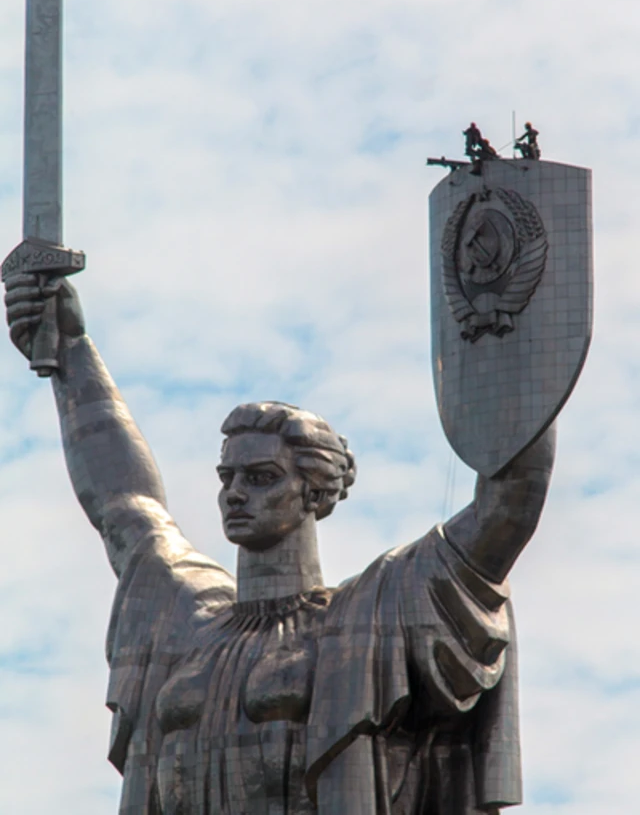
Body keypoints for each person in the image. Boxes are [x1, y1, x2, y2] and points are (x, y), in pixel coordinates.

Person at [5, 275, 556, 815]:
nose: (235, 495)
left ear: (313, 491)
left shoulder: (373, 613)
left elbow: (507, 508)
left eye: (261, 477)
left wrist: (511, 317)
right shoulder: (183, 617)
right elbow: (123, 502)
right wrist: (70, 351)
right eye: (228, 478)